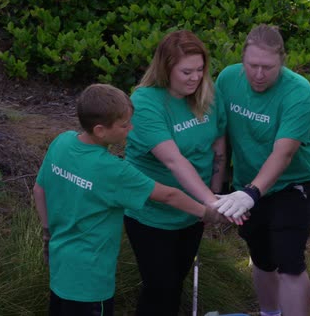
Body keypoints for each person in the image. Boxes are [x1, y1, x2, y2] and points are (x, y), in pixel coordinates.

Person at [32, 83, 224, 316]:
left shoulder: (61, 143)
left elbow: (39, 189)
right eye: (124, 125)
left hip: (60, 263)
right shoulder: (112, 170)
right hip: (92, 281)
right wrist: (206, 212)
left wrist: (47, 232)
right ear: (101, 130)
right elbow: (169, 194)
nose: (131, 129)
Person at [123, 30, 238, 316]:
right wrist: (211, 203)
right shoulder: (146, 103)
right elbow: (174, 161)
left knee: (175, 286)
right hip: (152, 215)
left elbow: (218, 144)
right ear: (166, 68)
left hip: (193, 212)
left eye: (200, 70)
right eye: (186, 71)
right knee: (158, 288)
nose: (195, 77)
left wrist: (213, 193)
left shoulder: (208, 95)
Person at [213, 24, 310, 316]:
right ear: (243, 60)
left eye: (268, 67)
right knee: (260, 257)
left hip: (292, 185)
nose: (259, 75)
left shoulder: (299, 92)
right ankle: (269, 313)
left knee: (289, 262)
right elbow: (221, 137)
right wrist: (217, 188)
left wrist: (252, 193)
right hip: (246, 183)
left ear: (282, 62)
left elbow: (283, 153)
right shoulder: (227, 80)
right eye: (253, 66)